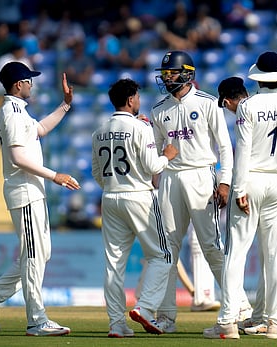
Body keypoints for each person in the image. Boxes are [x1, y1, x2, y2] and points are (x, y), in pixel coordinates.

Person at [0, 61, 80, 336]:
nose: (32, 84)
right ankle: (36, 320)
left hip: (33, 191)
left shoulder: (19, 111)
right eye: (29, 80)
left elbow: (40, 130)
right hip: (24, 191)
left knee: (40, 254)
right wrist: (56, 176)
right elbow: (18, 158)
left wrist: (65, 105)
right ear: (18, 85)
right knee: (33, 256)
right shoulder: (10, 112)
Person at [204, 51, 277, 339]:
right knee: (276, 257)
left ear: (258, 76)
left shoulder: (248, 108)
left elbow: (244, 151)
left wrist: (239, 189)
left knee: (236, 253)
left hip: (252, 181)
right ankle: (275, 323)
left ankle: (227, 322)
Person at [150, 50, 234, 333]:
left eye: (171, 73)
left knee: (211, 245)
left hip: (201, 175)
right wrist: (154, 179)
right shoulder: (158, 109)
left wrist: (224, 181)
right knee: (167, 249)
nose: (166, 78)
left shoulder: (209, 103)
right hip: (171, 179)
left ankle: (238, 307)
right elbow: (156, 150)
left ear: (187, 73)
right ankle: (165, 317)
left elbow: (225, 146)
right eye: (164, 74)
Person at [91, 78, 178, 337]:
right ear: (131, 100)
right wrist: (168, 155)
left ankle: (116, 324)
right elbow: (153, 167)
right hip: (139, 196)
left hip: (110, 196)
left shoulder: (99, 131)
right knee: (163, 255)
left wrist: (114, 185)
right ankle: (146, 307)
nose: (139, 100)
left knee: (113, 265)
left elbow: (97, 172)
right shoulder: (141, 128)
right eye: (137, 96)